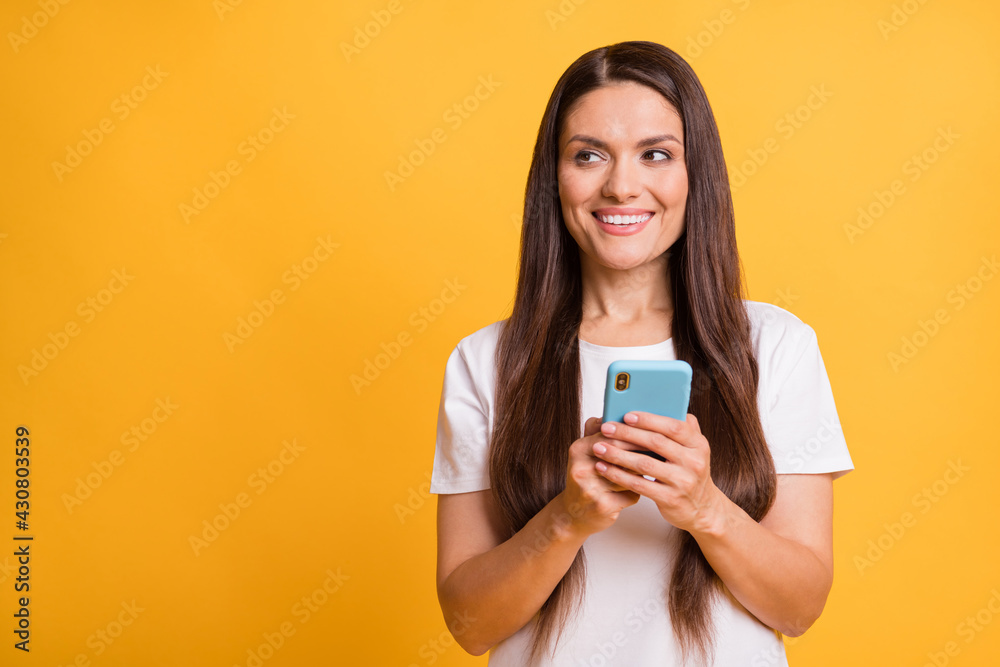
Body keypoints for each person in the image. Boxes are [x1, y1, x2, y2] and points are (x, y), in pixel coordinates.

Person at [428, 40, 854, 667]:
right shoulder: (486, 360)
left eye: (656, 154)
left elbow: (800, 607)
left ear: (694, 175)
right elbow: (469, 625)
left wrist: (705, 507)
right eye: (589, 155)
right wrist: (564, 520)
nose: (622, 186)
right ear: (555, 176)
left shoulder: (775, 346)